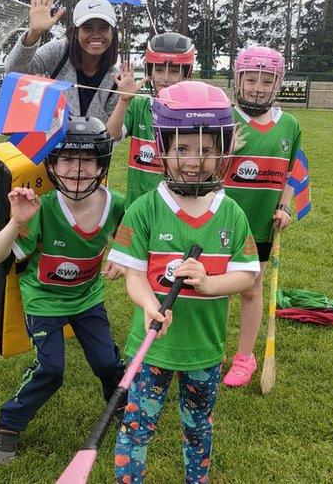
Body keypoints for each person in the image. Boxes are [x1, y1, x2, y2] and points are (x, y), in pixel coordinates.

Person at [107, 81, 260, 483]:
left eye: (206, 150)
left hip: (204, 351)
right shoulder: (144, 210)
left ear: (222, 150)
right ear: (163, 149)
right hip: (151, 350)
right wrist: (148, 305)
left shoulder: (232, 214)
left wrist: (209, 285)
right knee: (136, 429)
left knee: (198, 428)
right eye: (183, 148)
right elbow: (136, 277)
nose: (193, 160)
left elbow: (247, 275)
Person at [0, 117, 127, 465]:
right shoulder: (42, 208)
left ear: (102, 164)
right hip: (45, 300)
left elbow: (132, 236)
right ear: (52, 163)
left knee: (108, 361)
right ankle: (8, 426)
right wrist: (16, 221)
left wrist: (124, 257)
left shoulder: (116, 203)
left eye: (88, 160)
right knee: (51, 369)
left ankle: (123, 404)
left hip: (87, 297)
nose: (78, 170)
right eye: (67, 159)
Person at [219, 46, 302, 388]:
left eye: (266, 81)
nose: (257, 87)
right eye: (250, 79)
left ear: (277, 84)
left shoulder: (290, 126)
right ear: (237, 80)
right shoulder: (223, 117)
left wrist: (284, 206)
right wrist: (226, 151)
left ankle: (245, 357)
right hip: (220, 222)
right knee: (213, 289)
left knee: (251, 290)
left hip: (260, 226)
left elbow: (293, 173)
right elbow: (204, 171)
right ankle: (210, 350)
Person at [106, 32, 196, 207]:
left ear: (186, 73)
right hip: (138, 210)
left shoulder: (196, 112)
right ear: (150, 71)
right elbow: (110, 135)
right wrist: (124, 101)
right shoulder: (138, 106)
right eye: (160, 70)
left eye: (174, 71)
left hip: (179, 208)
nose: (165, 78)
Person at [5, 0, 120, 121]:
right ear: (76, 33)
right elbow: (14, 71)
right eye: (87, 28)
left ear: (112, 33)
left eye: (103, 28)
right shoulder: (60, 50)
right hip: (49, 140)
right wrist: (34, 33)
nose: (96, 34)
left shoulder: (115, 79)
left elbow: (110, 133)